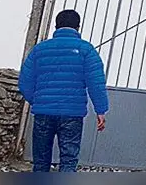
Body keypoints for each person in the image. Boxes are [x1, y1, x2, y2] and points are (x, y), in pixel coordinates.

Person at [19, 9, 109, 172]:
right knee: (68, 160)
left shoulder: (40, 50)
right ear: (78, 27)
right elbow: (96, 82)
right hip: (72, 114)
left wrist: (39, 101)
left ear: (56, 26)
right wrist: (100, 110)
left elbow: (25, 82)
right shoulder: (86, 50)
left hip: (43, 113)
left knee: (40, 161)